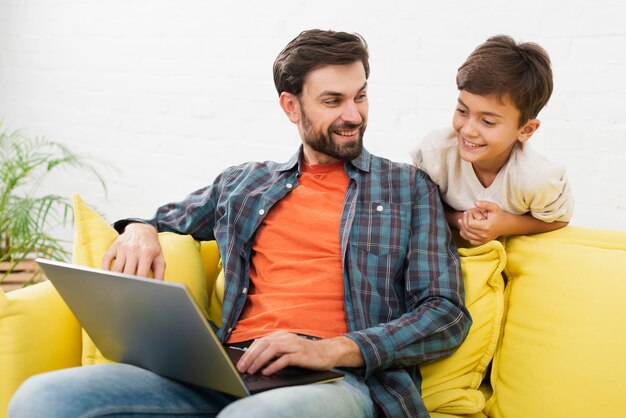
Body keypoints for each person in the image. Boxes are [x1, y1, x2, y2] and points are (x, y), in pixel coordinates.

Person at [9, 29, 471, 418]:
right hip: (228, 368)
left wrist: (331, 350)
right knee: (43, 396)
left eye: (361, 95)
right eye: (333, 100)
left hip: (339, 380)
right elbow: (163, 218)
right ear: (291, 107)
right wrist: (139, 230)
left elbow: (445, 314)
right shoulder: (244, 184)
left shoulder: (407, 188)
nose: (354, 115)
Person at [411, 35, 574, 246]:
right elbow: (417, 204)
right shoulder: (436, 153)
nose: (468, 130)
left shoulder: (536, 178)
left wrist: (506, 224)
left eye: (487, 122)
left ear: (526, 129)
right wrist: (460, 220)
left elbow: (559, 220)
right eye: (462, 110)